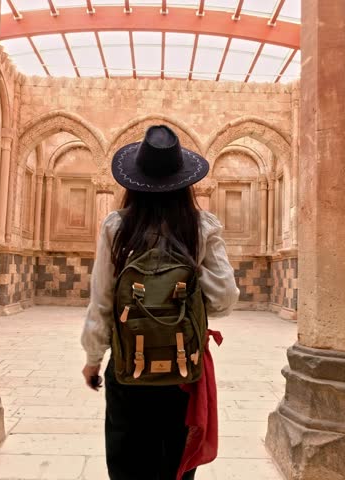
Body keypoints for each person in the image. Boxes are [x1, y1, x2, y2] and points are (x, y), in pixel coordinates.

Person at [80, 125, 240, 480]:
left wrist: (93, 359)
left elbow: (102, 301)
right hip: (182, 369)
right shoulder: (202, 226)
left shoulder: (116, 226)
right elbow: (226, 298)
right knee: (175, 467)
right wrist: (184, 303)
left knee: (128, 464)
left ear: (133, 182)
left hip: (128, 367)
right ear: (185, 183)